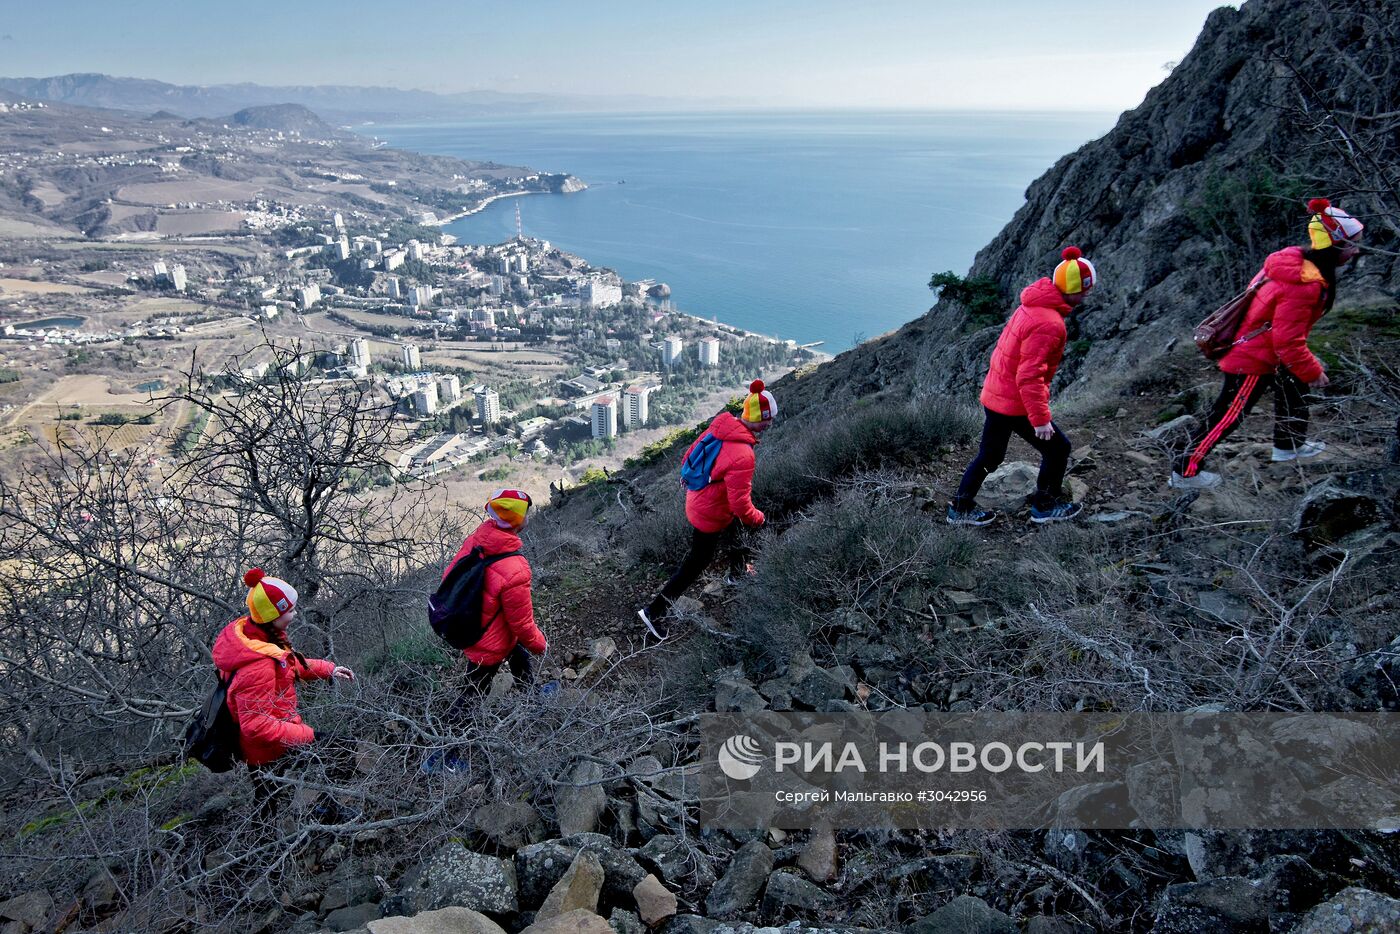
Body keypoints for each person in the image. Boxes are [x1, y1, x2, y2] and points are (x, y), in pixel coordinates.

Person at [1171, 199, 1364, 489]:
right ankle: (1185, 471)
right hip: (1253, 358)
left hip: (1260, 349)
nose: (1357, 251)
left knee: (1293, 383)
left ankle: (1289, 445)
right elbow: (1286, 341)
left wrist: (1304, 369)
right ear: (1334, 245)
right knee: (1229, 414)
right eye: (1352, 245)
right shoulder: (1305, 283)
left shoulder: (1292, 262)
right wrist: (1313, 371)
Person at [947, 246, 1095, 526]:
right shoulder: (1050, 324)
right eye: (1084, 289)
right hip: (1015, 403)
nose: (1087, 294)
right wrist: (1040, 420)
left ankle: (960, 508)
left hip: (996, 394)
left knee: (990, 455)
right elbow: (1029, 377)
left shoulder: (1032, 304)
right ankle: (1044, 507)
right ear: (1072, 289)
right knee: (1058, 449)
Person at [638, 379, 776, 639]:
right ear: (758, 420)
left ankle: (737, 573)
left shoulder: (723, 425)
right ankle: (653, 611)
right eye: (767, 420)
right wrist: (759, 518)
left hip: (700, 497)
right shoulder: (743, 454)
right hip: (709, 512)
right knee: (696, 562)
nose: (769, 425)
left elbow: (691, 452)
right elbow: (740, 505)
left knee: (736, 527)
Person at [211, 568, 355, 768]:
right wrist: (308, 735)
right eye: (290, 610)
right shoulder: (258, 663)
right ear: (273, 616)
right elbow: (256, 727)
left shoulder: (261, 636)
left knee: (275, 795)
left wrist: (328, 669)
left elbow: (290, 665)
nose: (295, 614)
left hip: (276, 740)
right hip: (269, 752)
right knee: (342, 750)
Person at [445, 489, 547, 693]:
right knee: (474, 692)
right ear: (517, 520)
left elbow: (449, 575)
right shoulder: (515, 567)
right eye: (525, 513)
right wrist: (540, 645)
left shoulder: (477, 540)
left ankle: (531, 696)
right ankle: (457, 724)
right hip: (486, 639)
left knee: (519, 655)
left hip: (469, 623)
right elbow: (521, 623)